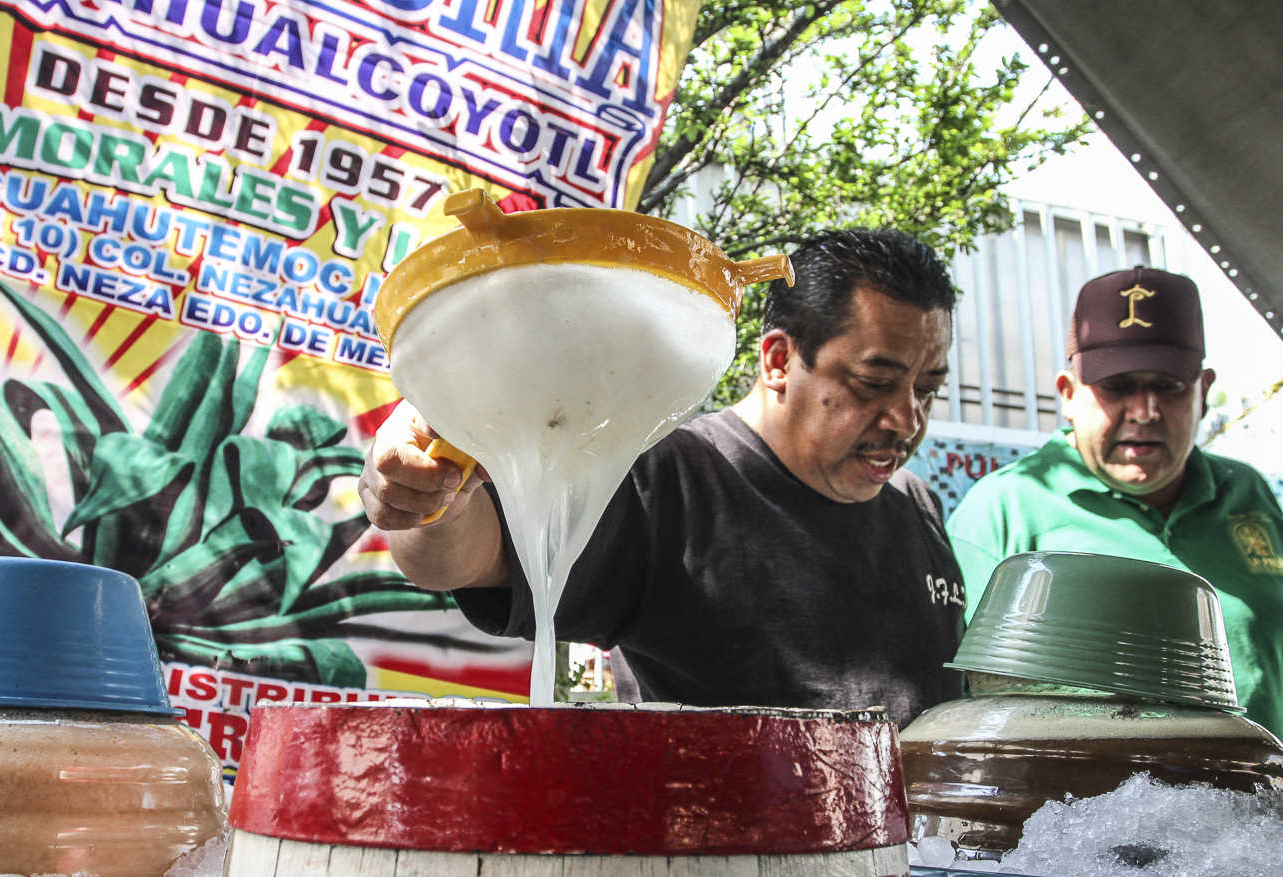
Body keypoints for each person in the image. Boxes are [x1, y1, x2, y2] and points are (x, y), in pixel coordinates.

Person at [359, 228, 966, 726]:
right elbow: (463, 558)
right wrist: (430, 487)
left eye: (928, 390)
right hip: (708, 863)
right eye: (874, 382)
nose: (905, 418)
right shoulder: (669, 476)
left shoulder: (916, 506)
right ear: (780, 360)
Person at [948, 265, 1283, 735]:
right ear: (1068, 393)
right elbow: (962, 702)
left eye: (1168, 387)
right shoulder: (1002, 511)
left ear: (1203, 392)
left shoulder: (1250, 494)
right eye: (1117, 387)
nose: (1144, 412)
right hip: (1073, 807)